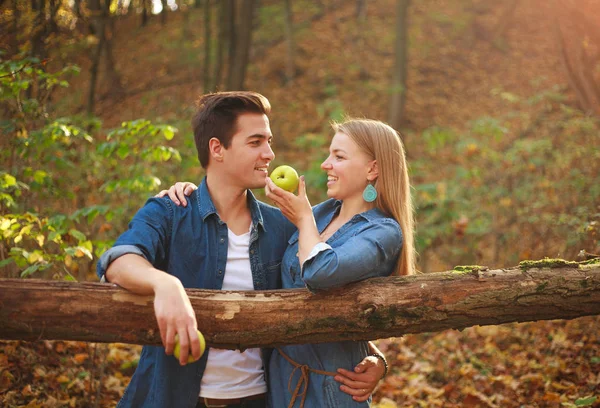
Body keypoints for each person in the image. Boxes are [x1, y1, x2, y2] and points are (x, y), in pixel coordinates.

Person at [97, 91, 385, 408]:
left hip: (261, 399)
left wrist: (375, 357)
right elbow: (119, 259)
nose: (270, 154)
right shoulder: (171, 212)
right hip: (175, 396)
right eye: (255, 142)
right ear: (217, 148)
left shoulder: (282, 227)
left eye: (269, 141)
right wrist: (165, 284)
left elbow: (320, 301)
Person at [164, 118, 415, 407]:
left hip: (330, 391)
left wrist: (304, 218)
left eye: (339, 156)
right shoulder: (322, 214)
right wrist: (191, 196)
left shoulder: (382, 232)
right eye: (329, 154)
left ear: (372, 169)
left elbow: (320, 273)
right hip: (279, 384)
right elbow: (252, 226)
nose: (325, 164)